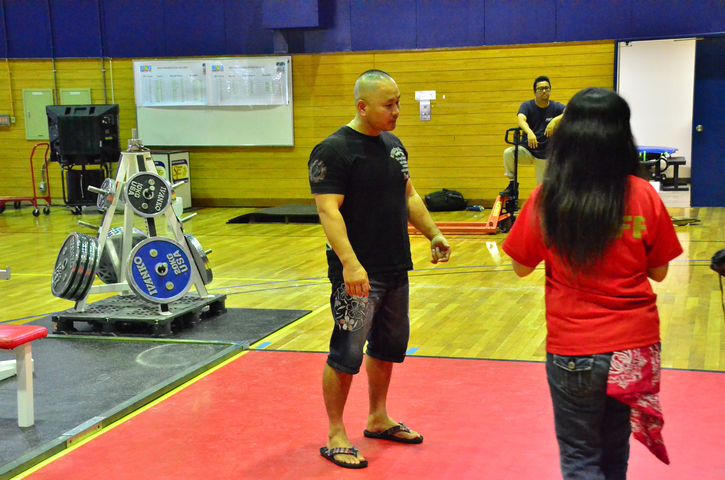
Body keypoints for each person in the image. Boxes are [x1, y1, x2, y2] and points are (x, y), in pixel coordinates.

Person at [502, 87, 682, 479]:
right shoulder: (644, 195)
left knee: (580, 456)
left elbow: (520, 266)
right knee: (614, 452)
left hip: (574, 346)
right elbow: (659, 272)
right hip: (633, 345)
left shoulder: (549, 197)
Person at [308, 69, 451, 469]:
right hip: (358, 274)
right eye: (389, 105)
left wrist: (434, 233)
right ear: (362, 106)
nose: (397, 111)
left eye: (398, 102)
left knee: (388, 346)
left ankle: (378, 417)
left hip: (395, 266)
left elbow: (410, 195)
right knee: (346, 351)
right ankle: (336, 433)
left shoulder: (394, 146)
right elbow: (328, 211)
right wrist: (350, 264)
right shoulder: (333, 150)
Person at [500, 75, 566, 196]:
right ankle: (512, 185)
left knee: (543, 190)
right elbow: (520, 119)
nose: (544, 91)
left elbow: (570, 112)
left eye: (546, 88)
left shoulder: (556, 106)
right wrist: (529, 132)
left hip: (544, 154)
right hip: (528, 150)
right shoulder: (527, 106)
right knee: (508, 153)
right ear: (535, 92)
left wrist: (555, 121)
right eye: (540, 89)